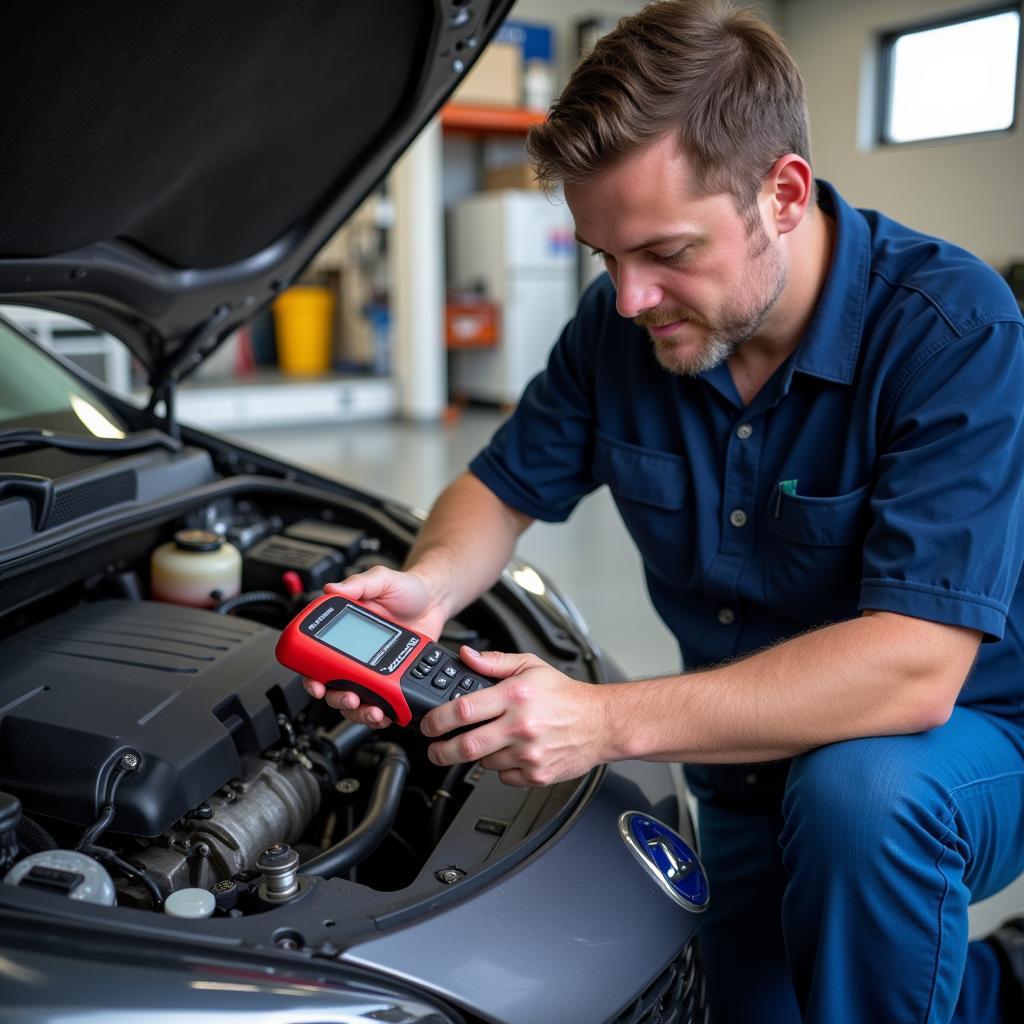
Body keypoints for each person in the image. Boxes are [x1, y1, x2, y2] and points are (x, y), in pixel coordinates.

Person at [302, 1, 1024, 1020]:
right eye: (605, 257)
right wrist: (429, 581)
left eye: (666, 253)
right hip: (735, 768)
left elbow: (913, 670)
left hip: (961, 748)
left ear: (781, 194)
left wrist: (601, 721)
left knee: (863, 800)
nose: (632, 297)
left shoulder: (952, 329)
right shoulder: (623, 325)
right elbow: (497, 489)